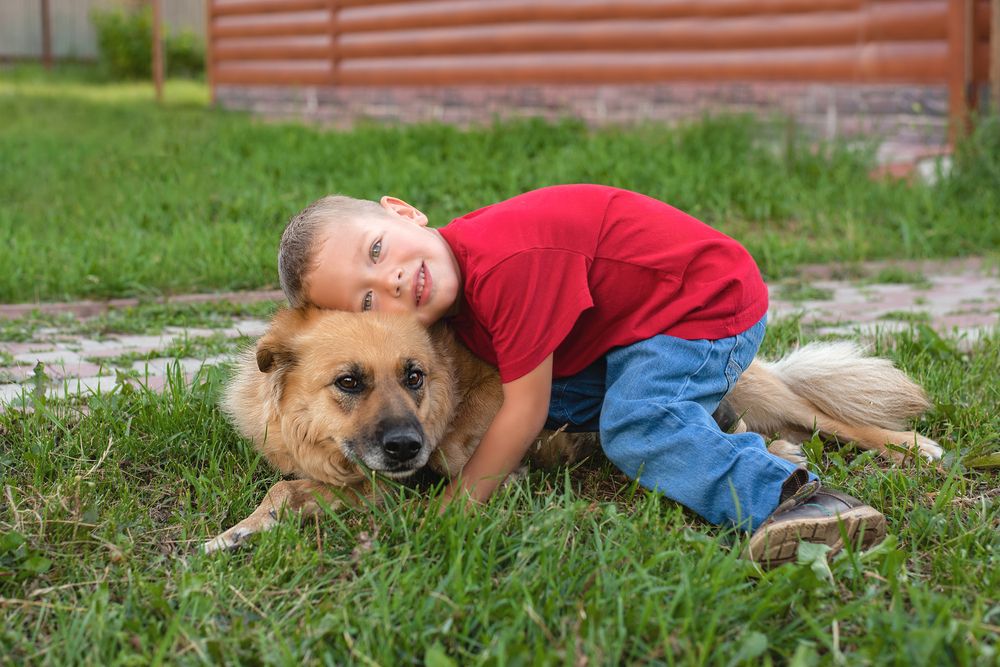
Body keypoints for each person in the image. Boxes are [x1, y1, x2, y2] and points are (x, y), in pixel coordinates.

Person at [277, 184, 886, 568]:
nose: (389, 283)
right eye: (364, 301)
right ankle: (707, 419)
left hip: (702, 305)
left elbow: (525, 412)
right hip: (633, 328)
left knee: (634, 429)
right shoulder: (459, 293)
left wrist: (456, 514)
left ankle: (795, 501)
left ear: (404, 212)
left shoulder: (508, 267)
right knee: (571, 398)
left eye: (377, 252)